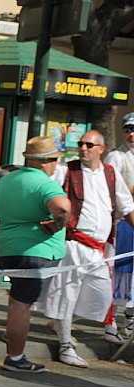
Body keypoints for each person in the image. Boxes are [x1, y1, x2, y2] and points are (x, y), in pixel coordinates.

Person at [44, 130, 134, 367]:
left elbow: (126, 206)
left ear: (100, 149)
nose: (83, 148)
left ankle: (59, 322)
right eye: (81, 144)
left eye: (89, 145)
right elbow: (46, 193)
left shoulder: (110, 174)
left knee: (101, 298)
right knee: (67, 293)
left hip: (99, 248)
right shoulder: (66, 170)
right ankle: (64, 345)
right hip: (73, 243)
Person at [0, 136, 71, 373]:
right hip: (35, 251)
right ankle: (15, 357)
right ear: (44, 162)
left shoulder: (7, 180)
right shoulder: (45, 184)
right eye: (54, 159)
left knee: (17, 299)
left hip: (6, 248)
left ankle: (12, 341)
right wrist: (58, 224)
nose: (56, 164)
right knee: (21, 304)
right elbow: (63, 207)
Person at [103, 112, 134, 339]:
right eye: (127, 129)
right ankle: (111, 322)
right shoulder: (116, 157)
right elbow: (111, 192)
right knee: (117, 272)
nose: (131, 134)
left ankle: (129, 319)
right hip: (121, 223)